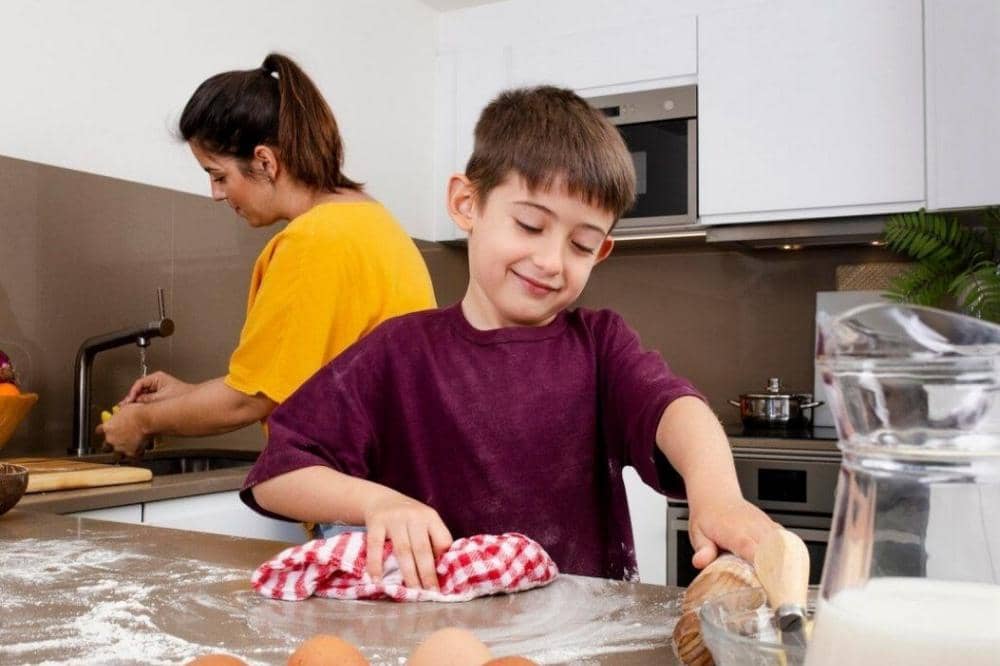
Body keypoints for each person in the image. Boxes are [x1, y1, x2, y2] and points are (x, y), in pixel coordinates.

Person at [241, 86, 776, 590]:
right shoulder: (398, 352)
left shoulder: (600, 346)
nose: (551, 261)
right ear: (466, 204)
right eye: (530, 225)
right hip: (434, 638)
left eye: (581, 245)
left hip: (575, 635)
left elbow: (674, 409)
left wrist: (719, 496)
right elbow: (277, 475)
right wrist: (377, 503)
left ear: (601, 253)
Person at [98, 53, 436, 458]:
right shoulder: (370, 220)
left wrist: (142, 421)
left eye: (219, 175)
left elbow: (249, 400)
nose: (216, 194)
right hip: (397, 476)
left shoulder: (313, 241)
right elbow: (274, 380)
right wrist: (187, 396)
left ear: (265, 161)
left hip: (359, 481)